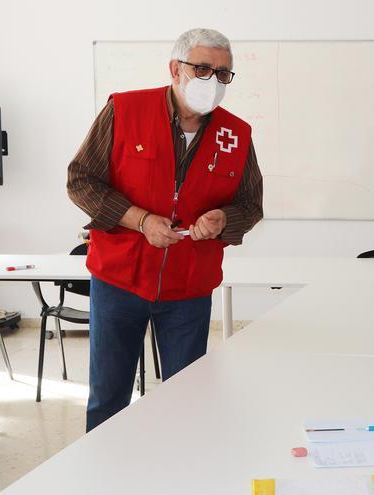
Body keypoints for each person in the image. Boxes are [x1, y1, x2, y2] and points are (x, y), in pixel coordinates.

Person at [68, 28, 263, 432]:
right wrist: (139, 220)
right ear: (176, 69)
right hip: (119, 280)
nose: (212, 80)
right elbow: (81, 180)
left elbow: (250, 205)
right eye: (203, 68)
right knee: (108, 398)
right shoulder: (125, 110)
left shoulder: (236, 134)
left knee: (185, 401)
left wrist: (224, 219)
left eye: (223, 74)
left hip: (188, 290)